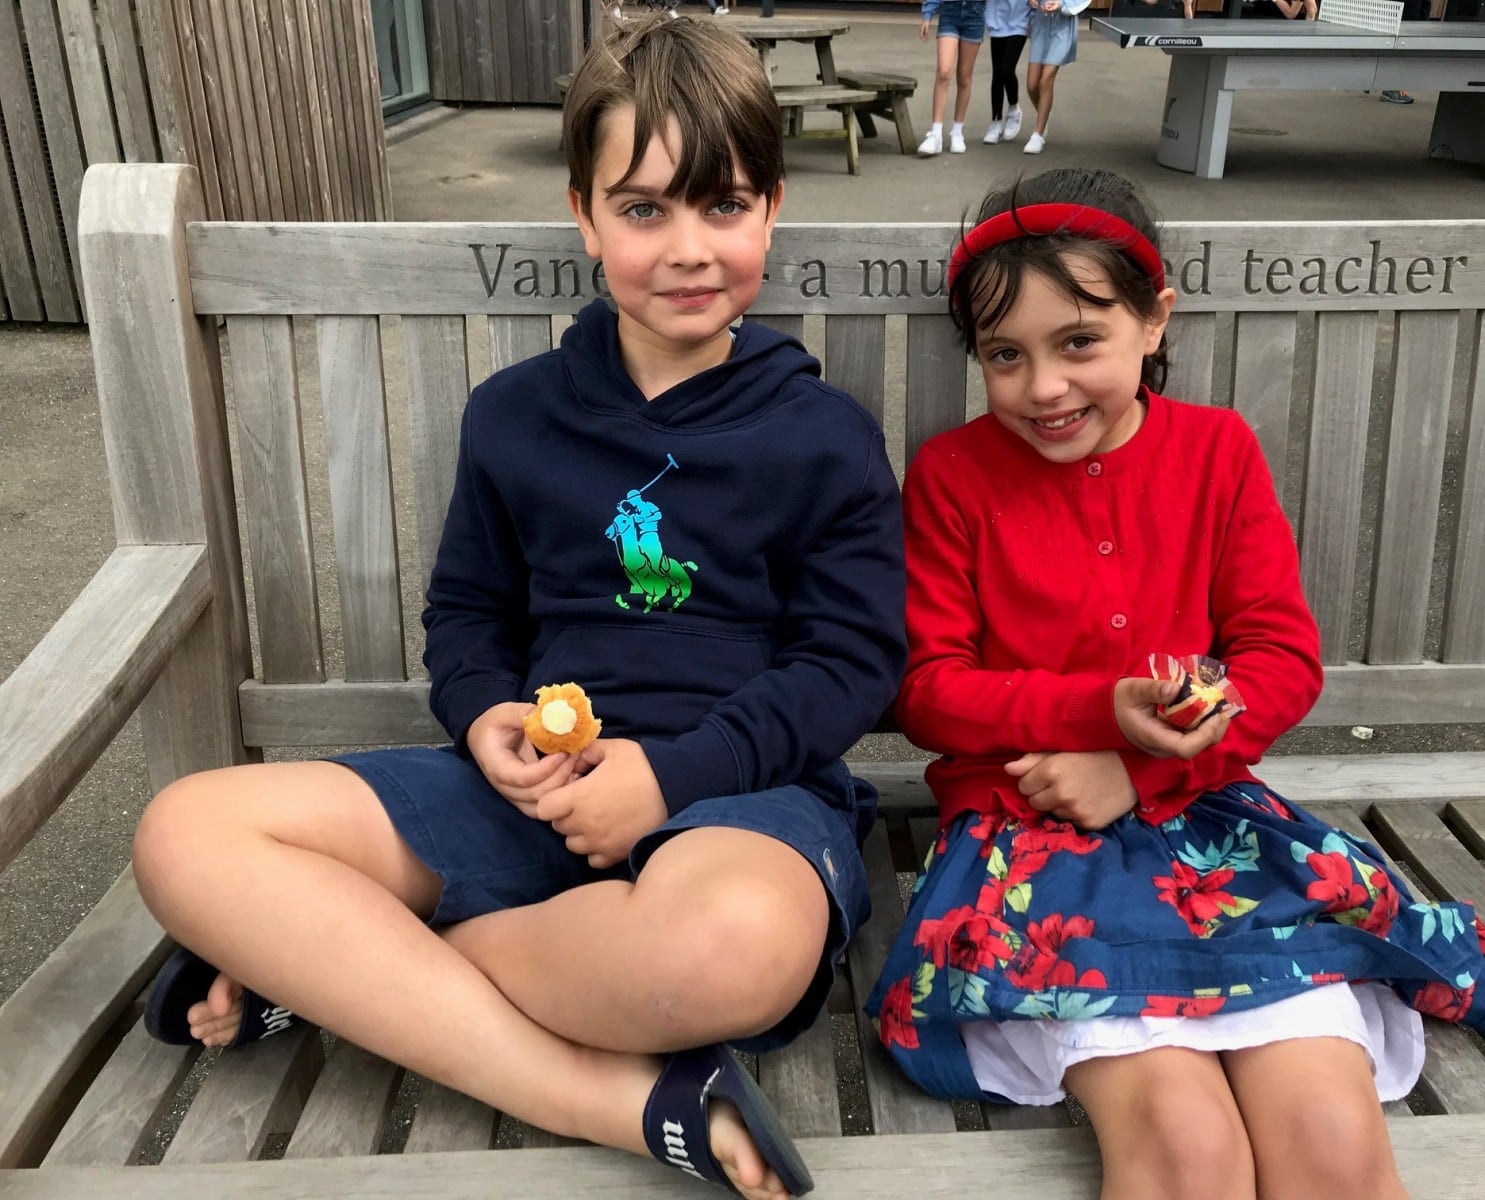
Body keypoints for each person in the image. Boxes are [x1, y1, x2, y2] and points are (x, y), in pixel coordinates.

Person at [131, 15, 907, 1199]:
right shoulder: (514, 415)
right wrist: (484, 709)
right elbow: (468, 612)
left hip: (742, 802)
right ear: (583, 217)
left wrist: (671, 776)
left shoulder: (825, 436)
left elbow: (849, 666)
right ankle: (608, 1100)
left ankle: (354, 974)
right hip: (526, 792)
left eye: (723, 205)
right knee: (187, 832)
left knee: (724, 955)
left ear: (771, 210)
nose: (688, 248)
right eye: (642, 209)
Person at [865, 166, 1485, 1199]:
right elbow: (926, 691)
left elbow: (1279, 660)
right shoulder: (953, 475)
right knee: (1187, 1147)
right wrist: (1096, 714)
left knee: (1327, 1136)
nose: (1044, 387)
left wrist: (1138, 768)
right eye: (1005, 354)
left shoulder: (1217, 453)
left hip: (1218, 830)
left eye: (1079, 342)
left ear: (1154, 319)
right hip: (1032, 841)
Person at [917, 0, 988, 156]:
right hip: (950, 10)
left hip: (975, 12)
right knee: (944, 71)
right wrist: (927, 15)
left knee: (964, 77)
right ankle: (935, 133)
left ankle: (957, 131)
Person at [1021, 0, 1089, 154]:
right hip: (1041, 25)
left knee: (1046, 79)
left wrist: (1061, 4)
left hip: (1062, 27)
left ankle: (1038, 135)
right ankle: (1043, 115)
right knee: (1032, 85)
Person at [983, 0, 1030, 144]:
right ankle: (996, 122)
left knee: (1007, 69)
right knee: (997, 74)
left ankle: (1014, 108)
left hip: (1020, 20)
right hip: (997, 19)